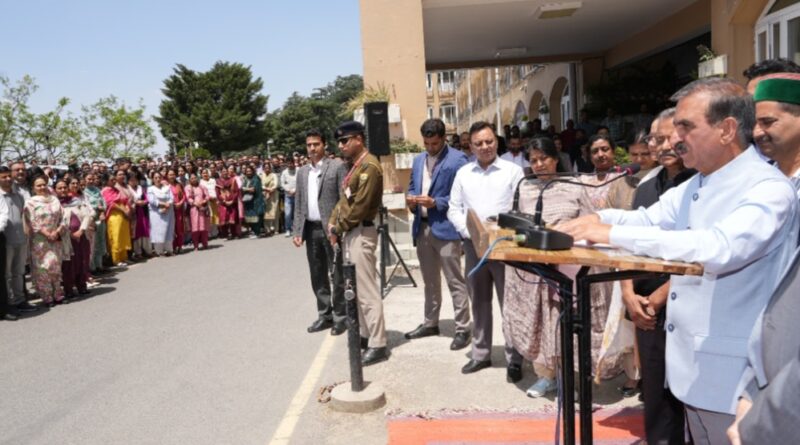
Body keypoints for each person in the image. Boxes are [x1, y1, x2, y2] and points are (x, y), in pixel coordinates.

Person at [556, 78, 798, 445]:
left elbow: (719, 248)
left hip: (732, 379)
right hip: (692, 372)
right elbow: (649, 219)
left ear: (727, 129)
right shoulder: (698, 183)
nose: (673, 140)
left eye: (686, 127)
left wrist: (612, 234)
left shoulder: (767, 188)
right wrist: (593, 224)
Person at [727, 73, 800, 445]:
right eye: (754, 123)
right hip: (756, 364)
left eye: (768, 122)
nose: (756, 133)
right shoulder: (763, 183)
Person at [619, 109, 695, 444]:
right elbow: (628, 242)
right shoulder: (646, 186)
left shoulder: (698, 183)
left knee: (685, 399)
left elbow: (700, 251)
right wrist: (627, 293)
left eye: (667, 138)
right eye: (655, 138)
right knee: (655, 396)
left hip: (682, 304)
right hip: (643, 308)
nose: (660, 145)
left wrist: (659, 297)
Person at [502, 137, 598, 395]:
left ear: (556, 159)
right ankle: (546, 376)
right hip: (535, 271)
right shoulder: (525, 187)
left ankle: (572, 379)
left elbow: (591, 222)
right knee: (542, 322)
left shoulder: (574, 186)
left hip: (568, 268)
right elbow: (516, 224)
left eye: (544, 158)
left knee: (567, 323)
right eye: (533, 160)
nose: (539, 164)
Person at [447, 121, 524, 376]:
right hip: (474, 246)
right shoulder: (463, 174)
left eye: (489, 141)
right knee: (479, 302)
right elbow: (454, 208)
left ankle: (515, 358)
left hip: (505, 246)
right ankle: (481, 354)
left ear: (496, 141)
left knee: (510, 303)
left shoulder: (513, 172)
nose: (485, 147)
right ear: (470, 146)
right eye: (478, 143)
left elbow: (521, 208)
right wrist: (471, 233)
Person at [404, 118, 471, 351]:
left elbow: (461, 198)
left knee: (455, 280)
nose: (430, 148)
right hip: (422, 227)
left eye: (434, 143)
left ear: (443, 138)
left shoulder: (458, 160)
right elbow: (412, 185)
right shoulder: (418, 159)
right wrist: (411, 199)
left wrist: (436, 202)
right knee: (430, 281)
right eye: (426, 143)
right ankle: (430, 322)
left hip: (446, 228)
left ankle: (463, 328)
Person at [328, 121, 387, 366]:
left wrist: (338, 227)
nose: (341, 146)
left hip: (361, 232)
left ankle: (378, 343)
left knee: (366, 290)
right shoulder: (355, 167)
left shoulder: (370, 167)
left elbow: (360, 207)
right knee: (356, 290)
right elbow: (344, 201)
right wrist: (333, 223)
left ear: (359, 139)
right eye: (339, 142)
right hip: (351, 232)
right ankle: (365, 334)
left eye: (345, 140)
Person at [293, 129, 348, 335]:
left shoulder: (337, 166)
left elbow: (344, 199)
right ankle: (324, 315)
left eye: (316, 144)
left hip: (332, 230)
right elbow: (299, 203)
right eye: (309, 145)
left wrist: (338, 227)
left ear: (324, 145)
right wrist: (297, 230)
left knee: (338, 274)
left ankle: (341, 317)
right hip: (311, 229)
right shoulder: (302, 172)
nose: (312, 148)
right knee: (317, 275)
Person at [24, 175, 67, 306]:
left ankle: (57, 294)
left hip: (55, 237)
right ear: (33, 188)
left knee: (55, 266)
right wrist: (47, 233)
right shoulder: (30, 202)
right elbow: (32, 221)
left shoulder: (54, 200)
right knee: (43, 268)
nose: (42, 187)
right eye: (38, 185)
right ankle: (47, 297)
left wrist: (58, 231)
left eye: (44, 184)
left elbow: (63, 217)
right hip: (40, 240)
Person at [0, 165, 36, 316]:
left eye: (9, 176)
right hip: (5, 240)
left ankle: (21, 300)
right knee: (6, 274)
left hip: (20, 239)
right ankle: (10, 302)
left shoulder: (18, 195)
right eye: (4, 177)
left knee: (19, 272)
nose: (8, 179)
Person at [56, 179, 91, 299]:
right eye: (59, 188)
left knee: (82, 261)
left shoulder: (76, 201)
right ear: (55, 190)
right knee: (68, 265)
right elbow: (56, 222)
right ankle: (69, 289)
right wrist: (69, 233)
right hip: (66, 239)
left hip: (81, 237)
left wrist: (81, 230)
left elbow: (87, 215)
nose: (63, 190)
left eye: (64, 187)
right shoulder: (55, 205)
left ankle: (82, 286)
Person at [102, 170, 132, 267]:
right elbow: (111, 203)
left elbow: (125, 200)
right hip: (114, 216)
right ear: (106, 181)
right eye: (111, 180)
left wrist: (127, 208)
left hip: (123, 215)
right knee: (116, 237)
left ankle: (124, 257)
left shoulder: (116, 190)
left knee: (123, 236)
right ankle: (116, 259)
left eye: (114, 180)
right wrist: (123, 210)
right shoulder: (105, 190)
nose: (114, 182)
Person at [84, 173, 107, 275]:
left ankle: (100, 265)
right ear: (84, 180)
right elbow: (87, 207)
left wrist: (102, 211)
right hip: (91, 220)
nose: (91, 180)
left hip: (100, 219)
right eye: (88, 179)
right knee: (92, 244)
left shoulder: (97, 190)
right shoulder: (84, 193)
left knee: (100, 241)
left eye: (92, 178)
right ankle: (92, 267)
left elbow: (104, 203)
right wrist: (97, 208)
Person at [147, 172, 175, 256]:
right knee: (158, 231)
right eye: (155, 177)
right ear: (152, 179)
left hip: (168, 211)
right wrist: (162, 205)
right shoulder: (150, 189)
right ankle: (159, 251)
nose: (158, 179)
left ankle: (169, 250)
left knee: (169, 230)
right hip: (156, 213)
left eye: (159, 177)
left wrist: (167, 205)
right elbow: (152, 200)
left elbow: (171, 198)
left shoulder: (167, 188)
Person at [128, 172, 152, 260]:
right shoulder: (128, 190)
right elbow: (127, 200)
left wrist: (143, 202)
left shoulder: (140, 188)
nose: (134, 182)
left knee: (145, 231)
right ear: (129, 181)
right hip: (134, 214)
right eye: (131, 180)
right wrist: (136, 202)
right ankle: (138, 252)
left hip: (143, 212)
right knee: (136, 233)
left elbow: (147, 198)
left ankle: (147, 250)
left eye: (135, 180)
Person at [185, 173, 210, 250]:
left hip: (203, 208)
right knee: (195, 229)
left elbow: (207, 196)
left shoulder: (202, 187)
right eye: (192, 178)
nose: (194, 179)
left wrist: (203, 202)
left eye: (195, 177)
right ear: (189, 179)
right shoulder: (188, 187)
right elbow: (188, 197)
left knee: (204, 228)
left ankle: (205, 244)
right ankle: (196, 246)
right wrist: (195, 203)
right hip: (194, 209)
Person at [241, 165, 265, 238]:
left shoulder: (256, 179)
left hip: (256, 201)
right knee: (249, 217)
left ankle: (257, 233)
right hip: (248, 201)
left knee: (256, 217)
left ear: (253, 171)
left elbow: (253, 189)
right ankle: (254, 232)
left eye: (250, 171)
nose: (248, 173)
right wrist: (245, 189)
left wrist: (244, 189)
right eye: (247, 171)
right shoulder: (245, 179)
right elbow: (243, 188)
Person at [216, 168, 240, 240]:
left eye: (226, 171)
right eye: (223, 171)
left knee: (232, 219)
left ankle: (234, 234)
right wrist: (224, 201)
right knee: (224, 219)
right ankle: (225, 235)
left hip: (232, 202)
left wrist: (232, 200)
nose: (225, 173)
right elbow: (218, 193)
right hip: (223, 203)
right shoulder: (218, 181)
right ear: (221, 173)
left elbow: (236, 191)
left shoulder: (233, 180)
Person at [167, 169, 186, 254]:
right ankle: (173, 247)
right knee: (172, 229)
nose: (172, 176)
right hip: (170, 210)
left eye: (173, 174)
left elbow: (184, 196)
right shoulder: (165, 186)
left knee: (179, 228)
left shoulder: (179, 184)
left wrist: (180, 203)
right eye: (170, 174)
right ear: (167, 176)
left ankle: (180, 246)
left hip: (179, 210)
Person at [259, 162, 279, 236]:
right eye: (265, 167)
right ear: (263, 168)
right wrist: (267, 189)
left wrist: (271, 189)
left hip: (274, 194)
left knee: (275, 211)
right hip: (265, 195)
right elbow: (260, 185)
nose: (267, 169)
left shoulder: (274, 175)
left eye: (268, 167)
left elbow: (276, 184)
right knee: (266, 212)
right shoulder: (261, 176)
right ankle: (267, 229)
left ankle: (276, 229)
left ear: (270, 168)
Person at [199, 169, 218, 239]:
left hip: (215, 200)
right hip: (207, 201)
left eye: (206, 173)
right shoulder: (200, 182)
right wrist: (208, 198)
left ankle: (215, 233)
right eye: (203, 173)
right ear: (201, 174)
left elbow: (216, 189)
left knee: (215, 216)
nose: (205, 174)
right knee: (209, 217)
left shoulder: (213, 180)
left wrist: (216, 197)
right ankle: (208, 233)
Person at [280, 160, 297, 237]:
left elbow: (300, 181)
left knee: (297, 213)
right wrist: (288, 190)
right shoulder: (284, 172)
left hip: (297, 195)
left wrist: (295, 190)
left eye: (291, 163)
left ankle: (297, 229)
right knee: (288, 213)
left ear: (294, 163)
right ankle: (288, 229)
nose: (290, 165)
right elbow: (282, 183)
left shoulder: (298, 170)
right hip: (288, 195)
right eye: (288, 163)